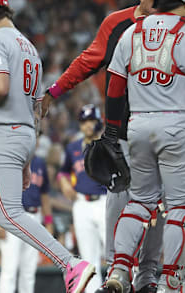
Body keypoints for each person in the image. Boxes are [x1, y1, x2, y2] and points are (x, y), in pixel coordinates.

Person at [0, 0, 95, 293]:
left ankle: (70, 263)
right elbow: (37, 106)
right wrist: (27, 158)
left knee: (7, 214)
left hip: (3, 132)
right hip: (24, 132)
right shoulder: (29, 47)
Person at [40, 0, 162, 293]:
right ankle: (116, 273)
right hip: (122, 127)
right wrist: (54, 90)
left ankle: (148, 275)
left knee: (157, 202)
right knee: (118, 198)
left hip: (162, 126)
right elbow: (88, 61)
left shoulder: (176, 28)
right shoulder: (116, 24)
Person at [103, 0, 185, 293]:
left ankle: (119, 271)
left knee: (139, 202)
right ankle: (170, 282)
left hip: (137, 125)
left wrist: (112, 130)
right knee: (182, 207)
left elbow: (114, 88)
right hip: (177, 125)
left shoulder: (131, 32)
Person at [58, 105, 108, 292]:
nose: (88, 125)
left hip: (104, 201)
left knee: (113, 253)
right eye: (84, 121)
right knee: (88, 256)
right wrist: (63, 183)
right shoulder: (73, 147)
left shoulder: (107, 145)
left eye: (92, 121)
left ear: (99, 122)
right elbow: (63, 172)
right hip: (81, 203)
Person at [0, 154, 52, 293]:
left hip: (35, 216)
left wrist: (48, 222)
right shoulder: (10, 158)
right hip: (13, 215)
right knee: (9, 268)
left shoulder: (40, 162)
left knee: (29, 269)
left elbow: (44, 194)